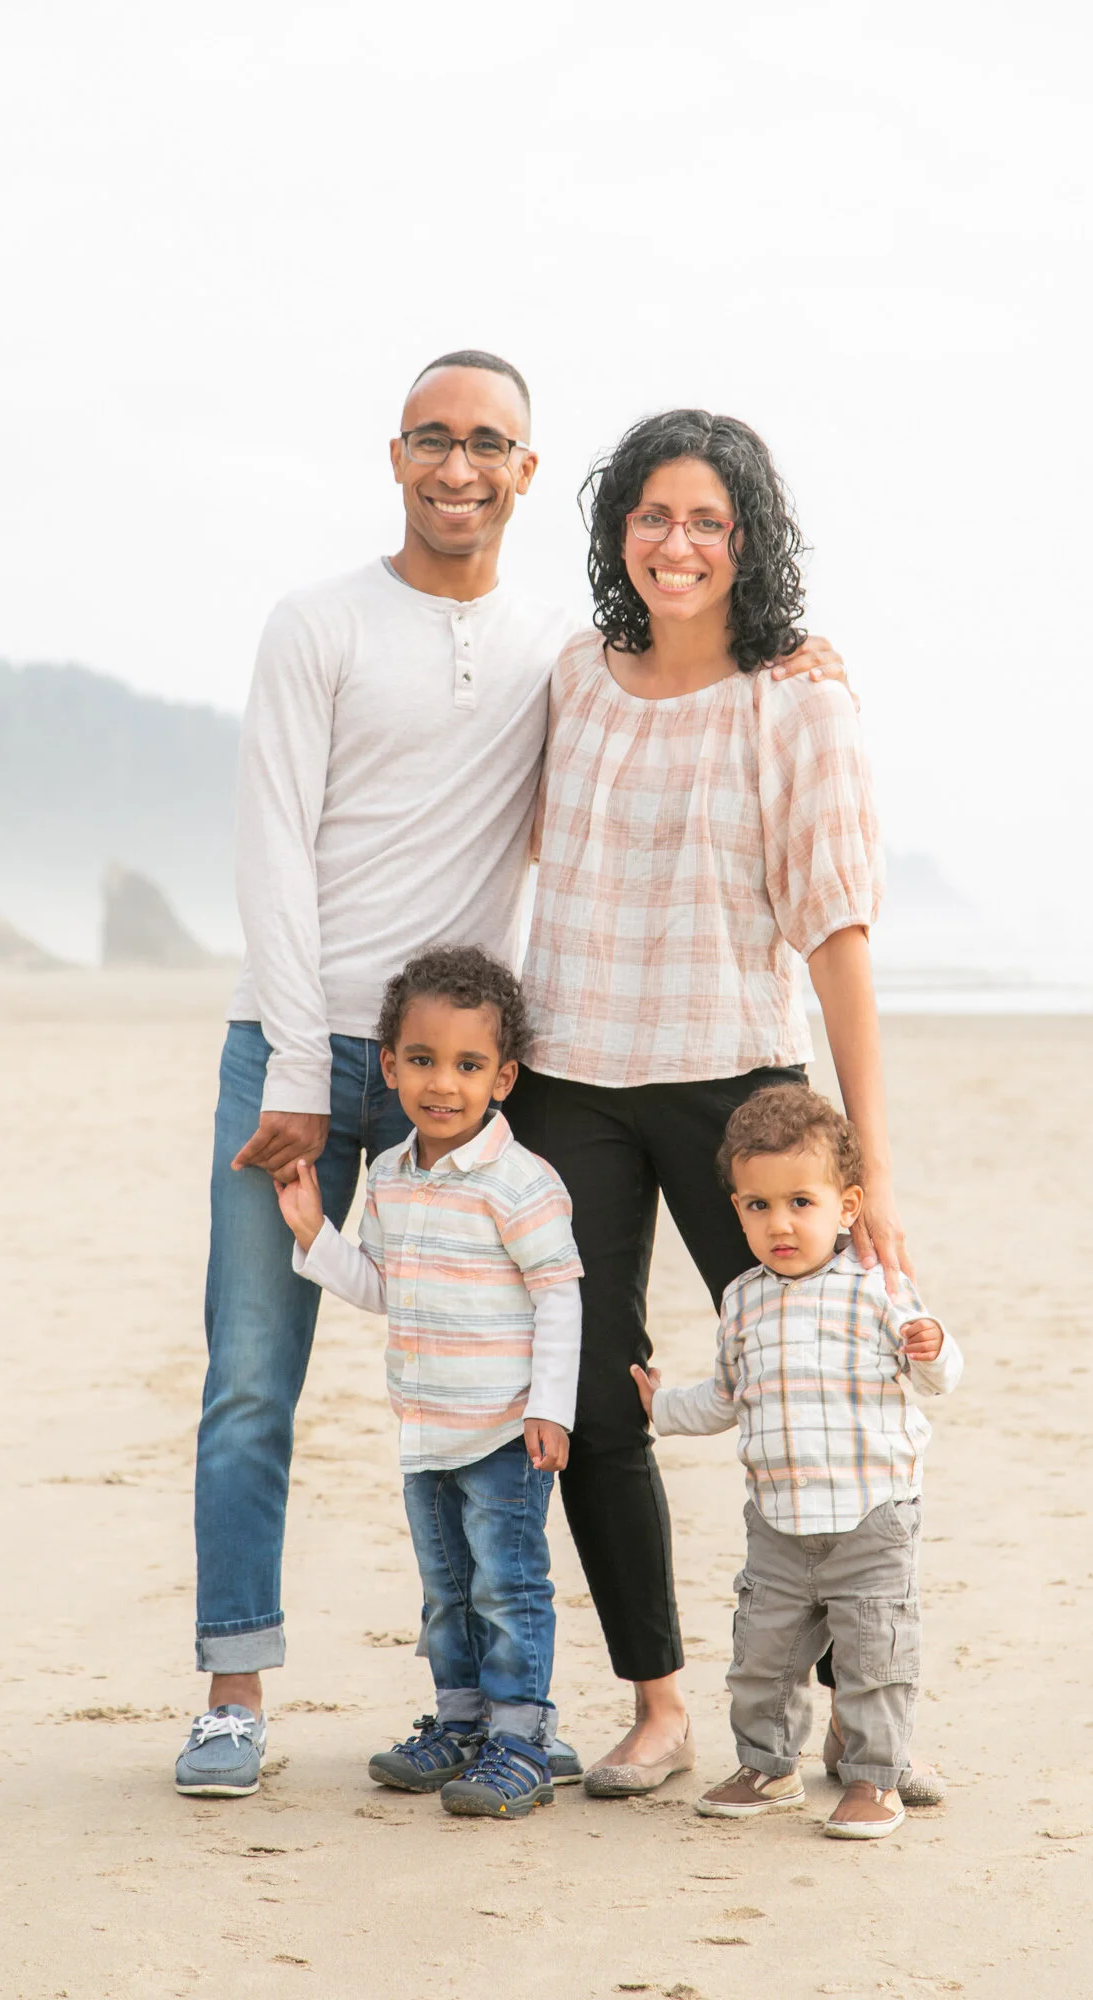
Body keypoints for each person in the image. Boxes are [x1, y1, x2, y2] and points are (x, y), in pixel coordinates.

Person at [175, 353, 841, 1797]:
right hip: (294, 1052)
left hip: (467, 1079)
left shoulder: (558, 643)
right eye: (434, 438)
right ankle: (234, 1692)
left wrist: (796, 657)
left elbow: (684, 692)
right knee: (251, 1384)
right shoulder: (317, 623)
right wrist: (298, 1057)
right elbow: (267, 849)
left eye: (490, 444)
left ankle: (505, 1710)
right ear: (397, 453)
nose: (459, 466)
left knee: (514, 1390)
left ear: (530, 474)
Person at [508, 408, 901, 1794]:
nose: (678, 545)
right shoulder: (572, 676)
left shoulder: (796, 700)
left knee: (816, 1391)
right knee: (598, 1401)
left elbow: (837, 932)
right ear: (618, 531)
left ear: (748, 544)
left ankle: (868, 1721)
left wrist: (874, 1173)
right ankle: (660, 1704)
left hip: (739, 1087)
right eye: (653, 517)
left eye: (708, 522)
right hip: (570, 1087)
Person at [277, 947, 582, 1820]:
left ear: (504, 1076)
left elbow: (559, 1296)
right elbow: (383, 1287)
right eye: (421, 1060)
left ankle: (522, 1739)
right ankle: (461, 1725)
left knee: (506, 1587)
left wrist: (547, 1410)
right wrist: (315, 1233)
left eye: (467, 1065)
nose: (441, 1084)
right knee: (445, 1591)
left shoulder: (519, 1184)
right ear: (389, 1066)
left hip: (501, 1431)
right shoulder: (394, 1177)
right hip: (424, 1427)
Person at [632, 1085, 962, 1838]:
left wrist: (933, 1346)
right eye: (756, 1206)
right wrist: (658, 1407)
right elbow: (724, 1399)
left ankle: (874, 1778)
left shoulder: (878, 1289)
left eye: (800, 1203)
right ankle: (767, 1765)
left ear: (846, 1207)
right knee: (762, 1658)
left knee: (874, 1655)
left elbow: (936, 1379)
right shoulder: (742, 1299)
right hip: (777, 1525)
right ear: (737, 1206)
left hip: (871, 1518)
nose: (778, 1223)